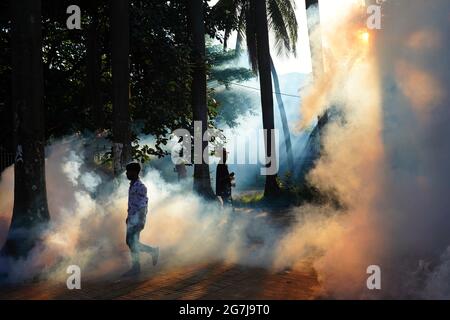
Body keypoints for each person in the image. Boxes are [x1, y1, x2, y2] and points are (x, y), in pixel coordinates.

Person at [123, 162, 159, 276]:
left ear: (134, 172)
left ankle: (147, 256)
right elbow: (133, 203)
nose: (126, 173)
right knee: (132, 242)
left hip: (137, 219)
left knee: (131, 242)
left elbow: (143, 205)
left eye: (128, 171)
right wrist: (128, 216)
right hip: (132, 218)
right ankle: (137, 266)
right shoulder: (132, 185)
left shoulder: (140, 187)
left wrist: (140, 220)